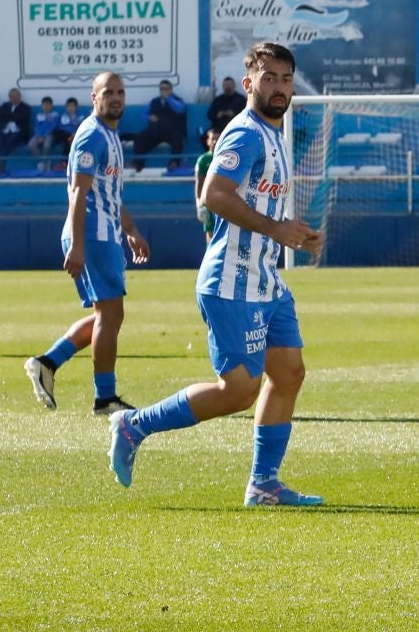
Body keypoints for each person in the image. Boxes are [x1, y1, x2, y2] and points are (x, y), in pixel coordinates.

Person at [104, 42, 325, 507]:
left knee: (288, 374)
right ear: (249, 84)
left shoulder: (274, 135)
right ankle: (133, 424)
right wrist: (276, 229)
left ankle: (264, 485)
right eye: (269, 78)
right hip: (232, 282)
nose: (280, 88)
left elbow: (261, 207)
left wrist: (297, 235)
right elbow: (214, 195)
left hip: (266, 280)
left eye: (286, 79)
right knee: (238, 391)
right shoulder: (244, 133)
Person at [23, 73, 149, 415]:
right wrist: (77, 245)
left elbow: (109, 194)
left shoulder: (110, 135)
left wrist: (131, 229)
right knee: (111, 314)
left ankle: (47, 363)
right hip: (93, 234)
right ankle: (104, 398)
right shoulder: (93, 135)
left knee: (106, 315)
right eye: (108, 92)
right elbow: (78, 192)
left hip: (103, 232)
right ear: (93, 97)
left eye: (120, 92)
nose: (116, 98)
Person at [132, 79, 187, 171]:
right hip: (156, 132)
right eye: (162, 89)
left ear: (171, 90)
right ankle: (138, 163)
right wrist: (149, 117)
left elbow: (180, 109)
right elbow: (144, 114)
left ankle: (174, 163)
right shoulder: (154, 101)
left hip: (172, 132)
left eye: (166, 89)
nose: (164, 91)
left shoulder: (177, 100)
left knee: (179, 138)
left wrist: (168, 98)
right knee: (140, 138)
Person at [0, 87, 33, 174]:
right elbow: (0, 116)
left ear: (19, 96)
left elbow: (22, 118)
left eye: (15, 96)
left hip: (20, 133)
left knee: (12, 139)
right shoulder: (4, 107)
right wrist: (13, 116)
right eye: (11, 96)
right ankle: (0, 163)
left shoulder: (26, 108)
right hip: (5, 131)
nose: (13, 98)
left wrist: (10, 116)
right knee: (1, 139)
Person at [194, 125, 221, 236]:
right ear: (207, 141)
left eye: (217, 139)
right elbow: (199, 183)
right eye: (212, 139)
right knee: (210, 235)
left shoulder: (227, 158)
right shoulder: (203, 160)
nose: (215, 142)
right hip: (209, 202)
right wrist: (199, 205)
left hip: (225, 201)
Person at [28, 96, 63, 168]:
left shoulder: (55, 115)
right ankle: (43, 161)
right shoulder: (39, 116)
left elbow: (54, 127)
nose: (46, 107)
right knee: (31, 144)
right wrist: (39, 136)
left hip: (50, 135)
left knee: (47, 145)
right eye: (44, 105)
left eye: (48, 105)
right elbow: (36, 127)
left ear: (51, 106)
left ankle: (45, 163)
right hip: (38, 135)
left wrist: (45, 136)